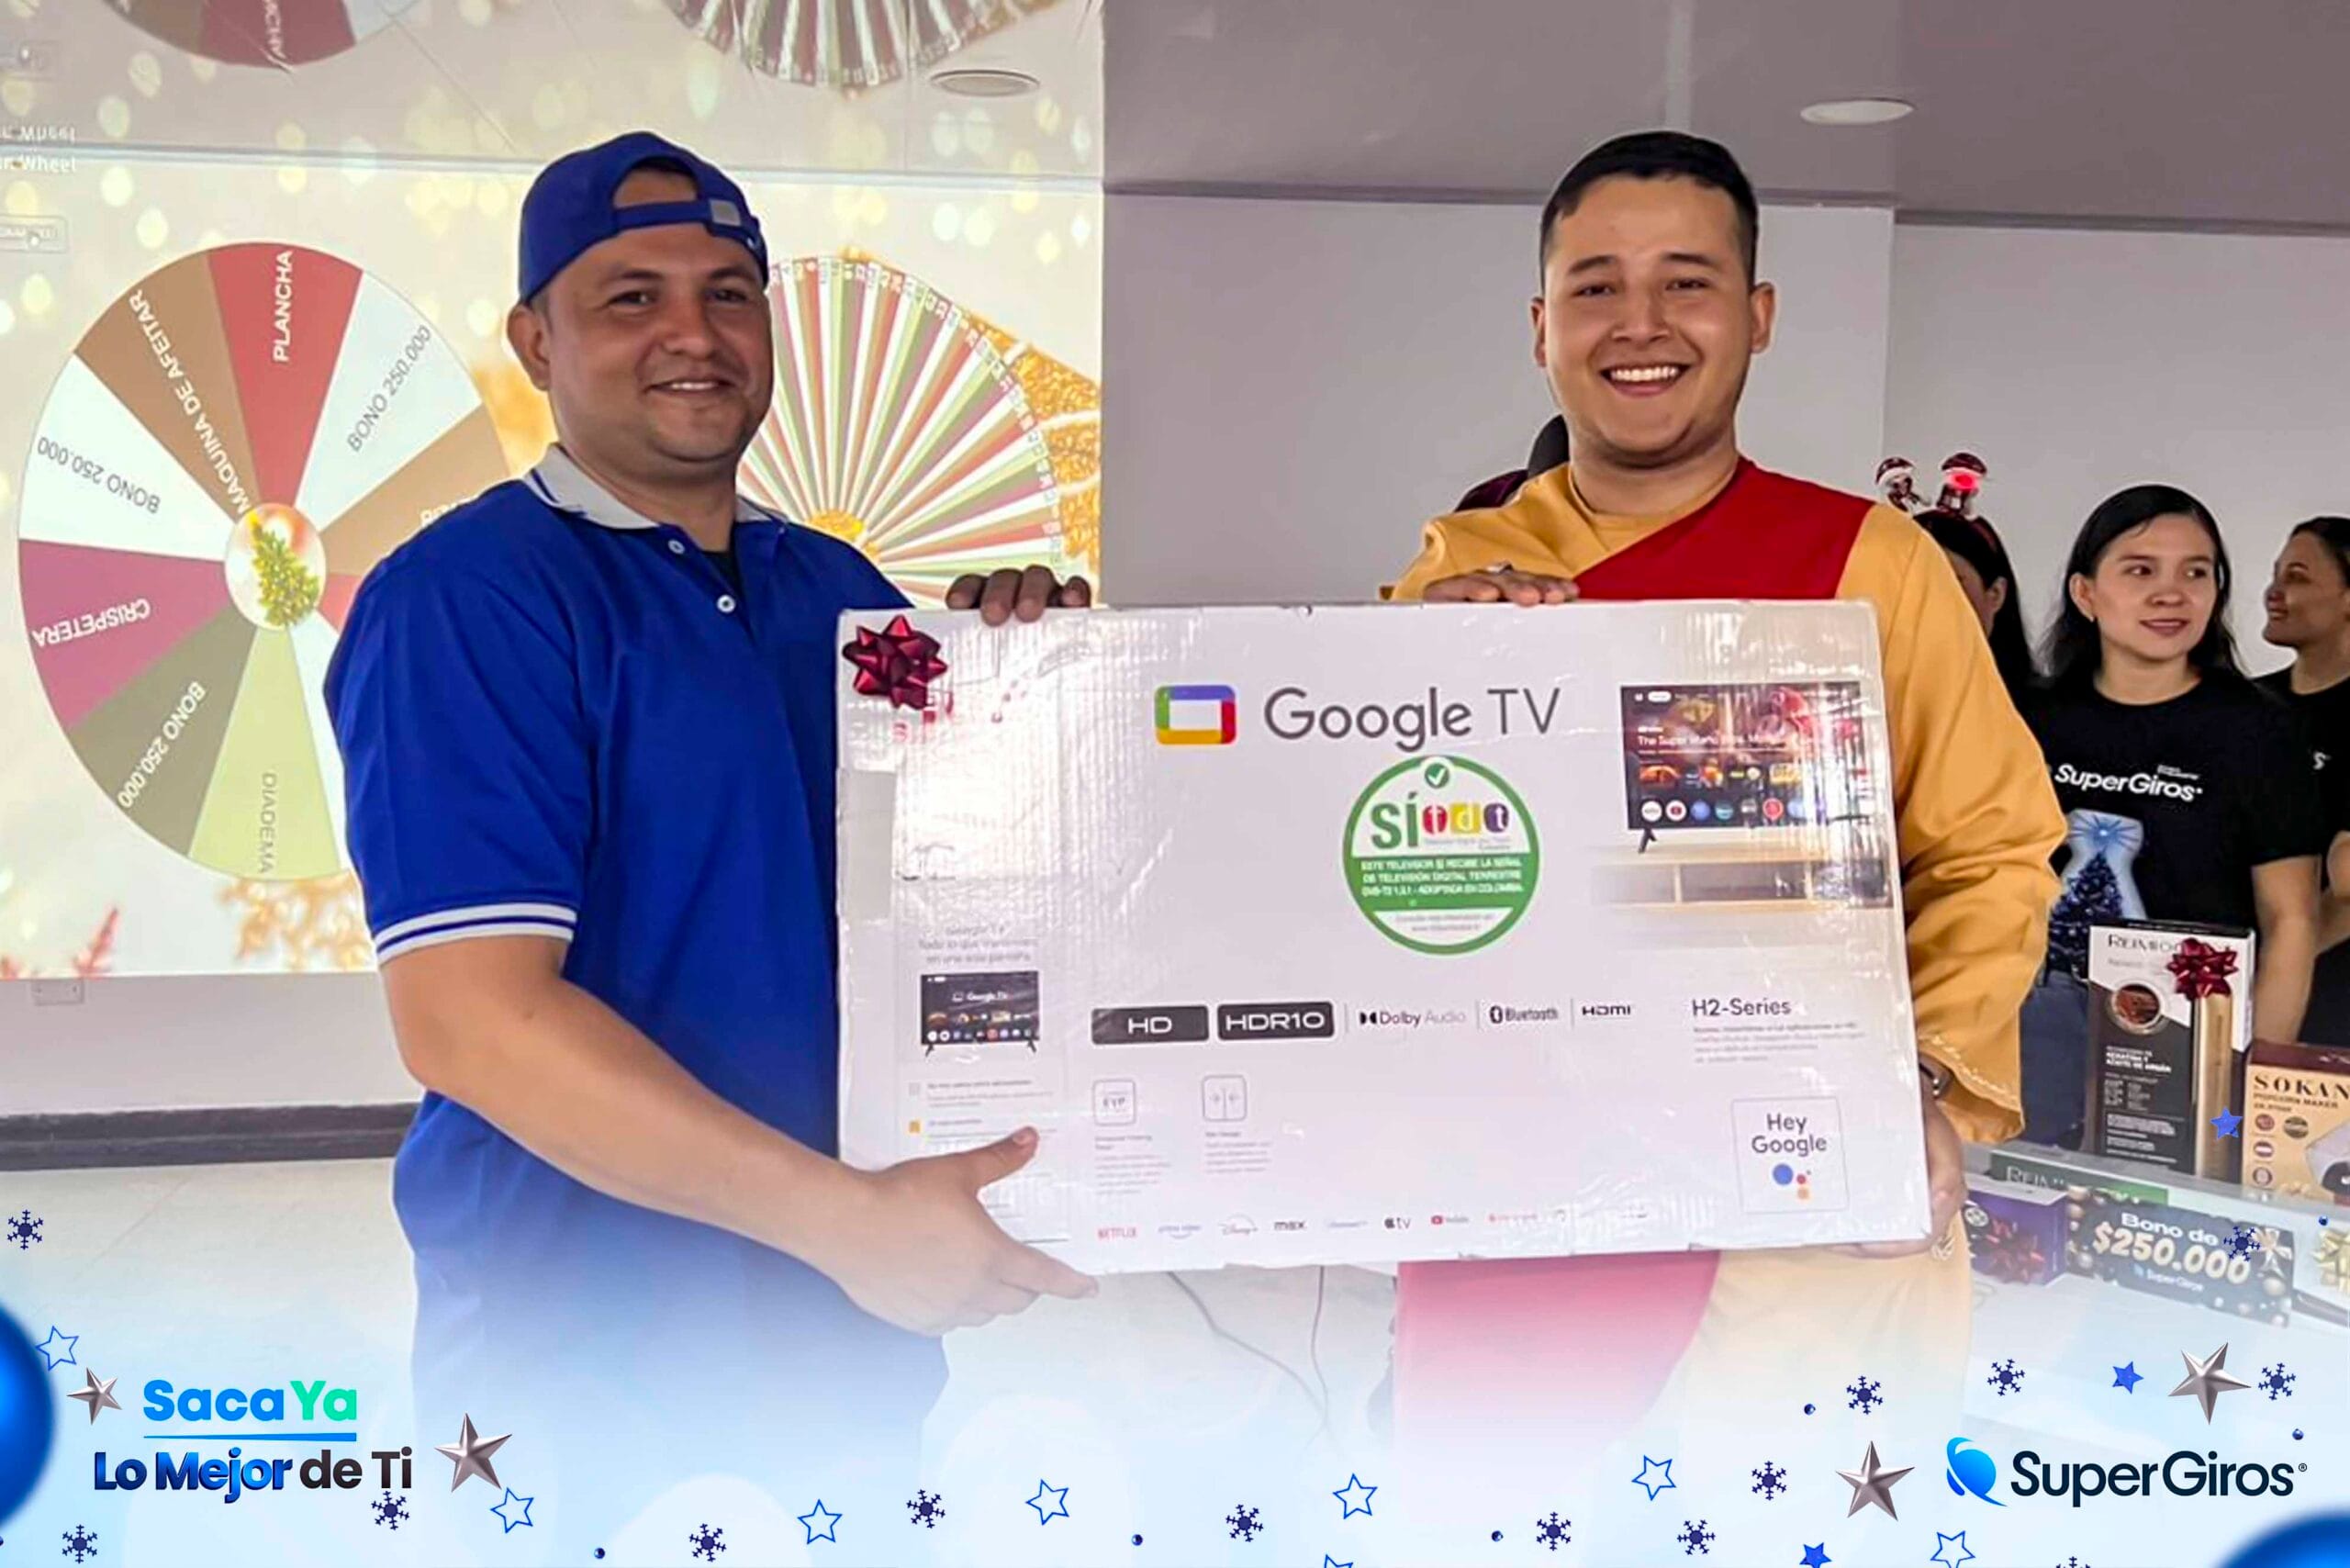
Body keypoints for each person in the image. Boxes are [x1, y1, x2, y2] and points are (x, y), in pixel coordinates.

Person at [323, 132, 1093, 1540]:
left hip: (842, 1340)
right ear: (535, 342)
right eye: (632, 297)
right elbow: (472, 1024)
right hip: (584, 1357)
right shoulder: (468, 598)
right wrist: (849, 1225)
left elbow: (966, 888)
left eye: (729, 293)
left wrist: (1038, 677)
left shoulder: (836, 588)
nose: (694, 332)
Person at [1381, 129, 2064, 1503]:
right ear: (1540, 328)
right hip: (1527, 1190)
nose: (1638, 323)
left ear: (1757, 316)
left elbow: (1991, 847)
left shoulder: (1872, 563)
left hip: (1794, 1210)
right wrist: (1409, 682)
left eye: (1685, 283)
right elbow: (1383, 880)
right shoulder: (1463, 566)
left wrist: (1925, 1082)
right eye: (1594, 287)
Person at [2019, 487, 2327, 1144]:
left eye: (2196, 573)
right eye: (2140, 570)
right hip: (2032, 1027)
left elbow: (2292, 920)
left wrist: (2250, 1082)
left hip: (2192, 1041)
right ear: (2085, 593)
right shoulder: (2027, 719)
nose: (2171, 594)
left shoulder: (2259, 733)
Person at [2259, 517, 2350, 1044]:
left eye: (2296, 577)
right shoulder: (2247, 707)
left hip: (2332, 998)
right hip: (2226, 981)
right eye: (2275, 575)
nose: (2274, 591)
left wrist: (2283, 958)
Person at [1878, 453, 2038, 700]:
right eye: (1909, 585)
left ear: (1995, 593)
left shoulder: (2046, 712)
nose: (1927, 603)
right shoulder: (1874, 704)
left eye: (1950, 583)